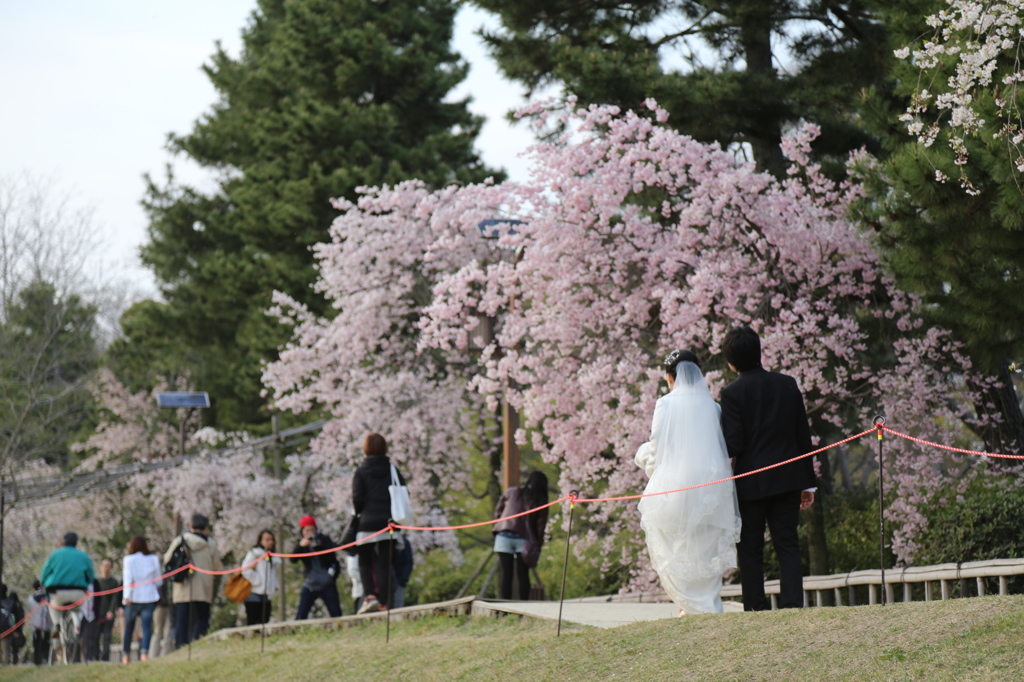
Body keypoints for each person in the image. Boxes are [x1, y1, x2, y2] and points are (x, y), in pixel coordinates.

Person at [635, 350, 742, 615]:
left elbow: (658, 448)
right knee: (705, 545)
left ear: (671, 376)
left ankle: (688, 603)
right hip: (711, 485)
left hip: (677, 484)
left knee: (674, 542)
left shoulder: (665, 404)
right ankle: (706, 603)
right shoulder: (713, 406)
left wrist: (644, 459)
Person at [719, 327, 816, 611]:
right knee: (787, 543)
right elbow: (803, 435)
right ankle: (791, 604)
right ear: (759, 352)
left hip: (751, 483)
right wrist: (807, 484)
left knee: (750, 548)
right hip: (788, 478)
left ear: (731, 362)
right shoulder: (787, 384)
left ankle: (756, 606)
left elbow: (733, 444)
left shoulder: (732, 393)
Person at [353, 433, 406, 614]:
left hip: (367, 522)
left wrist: (361, 510)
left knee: (364, 561)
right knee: (385, 563)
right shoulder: (392, 469)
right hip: (388, 522)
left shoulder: (360, 471)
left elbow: (357, 498)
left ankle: (370, 596)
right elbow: (403, 491)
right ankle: (384, 602)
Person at [163, 514, 222, 648]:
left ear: (191, 526)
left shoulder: (181, 540)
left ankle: (180, 645)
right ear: (206, 528)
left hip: (184, 585)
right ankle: (197, 642)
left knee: (182, 619)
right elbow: (216, 565)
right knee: (203, 617)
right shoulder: (210, 544)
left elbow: (167, 558)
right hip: (204, 585)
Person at [492, 471, 550, 601]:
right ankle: (523, 604)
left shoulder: (511, 492)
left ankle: (505, 605)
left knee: (506, 574)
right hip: (524, 539)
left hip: (503, 535)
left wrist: (499, 525)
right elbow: (540, 527)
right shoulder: (540, 500)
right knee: (523, 574)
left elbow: (499, 511)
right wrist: (538, 545)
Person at [40, 531, 95, 641]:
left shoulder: (56, 554)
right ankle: (76, 625)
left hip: (58, 592)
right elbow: (91, 575)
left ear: (63, 542)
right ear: (76, 543)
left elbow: (45, 572)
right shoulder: (83, 556)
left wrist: (42, 582)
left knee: (54, 607)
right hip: (79, 592)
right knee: (76, 610)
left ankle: (56, 625)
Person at [290, 516, 342, 619]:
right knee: (301, 615)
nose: (310, 533)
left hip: (327, 582)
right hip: (310, 584)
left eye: (312, 529)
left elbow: (332, 558)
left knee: (336, 614)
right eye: (307, 530)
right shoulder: (302, 544)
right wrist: (300, 546)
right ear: (302, 532)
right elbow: (293, 560)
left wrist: (319, 547)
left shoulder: (324, 540)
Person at [122, 535, 162, 663]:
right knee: (147, 627)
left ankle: (126, 655)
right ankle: (144, 653)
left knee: (129, 627)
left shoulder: (129, 559)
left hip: (133, 597)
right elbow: (159, 581)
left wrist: (126, 596)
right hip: (149, 596)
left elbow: (127, 578)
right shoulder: (153, 559)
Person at [241, 529, 282, 626]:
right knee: (253, 620)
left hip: (267, 593)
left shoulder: (273, 557)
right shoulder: (254, 554)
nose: (270, 542)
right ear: (260, 541)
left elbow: (273, 573)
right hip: (254, 593)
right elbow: (245, 569)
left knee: (265, 619)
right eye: (267, 540)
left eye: (271, 540)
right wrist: (257, 580)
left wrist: (275, 585)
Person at [94, 558, 121, 661]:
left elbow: (115, 598)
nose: (106, 568)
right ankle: (96, 657)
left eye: (108, 566)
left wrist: (111, 611)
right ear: (101, 567)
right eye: (104, 566)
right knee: (95, 636)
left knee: (107, 637)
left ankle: (105, 658)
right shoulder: (97, 582)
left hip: (108, 614)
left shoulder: (114, 582)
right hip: (97, 614)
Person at [0, 583, 26, 664]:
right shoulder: (11, 603)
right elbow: (18, 617)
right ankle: (6, 665)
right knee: (6, 649)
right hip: (7, 628)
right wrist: (17, 630)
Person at [27, 580, 51, 665]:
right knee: (46, 641)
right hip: (47, 623)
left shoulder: (30, 599)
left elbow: (30, 611)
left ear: (33, 588)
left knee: (36, 643)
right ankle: (46, 658)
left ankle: (37, 660)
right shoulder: (48, 597)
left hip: (35, 624)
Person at [391, 535, 414, 609]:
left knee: (398, 607)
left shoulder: (404, 542)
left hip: (399, 581)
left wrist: (402, 580)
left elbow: (408, 562)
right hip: (385, 583)